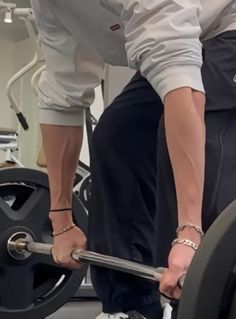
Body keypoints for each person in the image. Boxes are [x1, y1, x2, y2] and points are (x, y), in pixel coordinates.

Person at [30, 0, 236, 318]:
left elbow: (178, 71)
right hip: (187, 31)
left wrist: (190, 234)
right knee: (115, 137)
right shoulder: (50, 5)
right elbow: (63, 92)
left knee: (199, 133)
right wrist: (61, 223)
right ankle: (129, 307)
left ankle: (200, 303)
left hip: (227, 23)